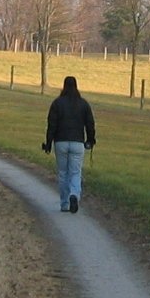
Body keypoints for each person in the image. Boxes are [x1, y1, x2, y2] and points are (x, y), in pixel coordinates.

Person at [42, 75, 96, 213]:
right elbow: (90, 124)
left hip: (60, 142)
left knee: (63, 173)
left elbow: (51, 125)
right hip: (78, 142)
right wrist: (90, 140)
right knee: (75, 172)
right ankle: (74, 195)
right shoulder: (83, 104)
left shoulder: (57, 103)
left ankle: (65, 203)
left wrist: (48, 143)